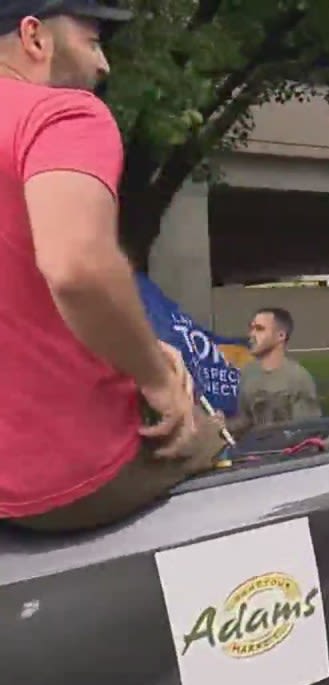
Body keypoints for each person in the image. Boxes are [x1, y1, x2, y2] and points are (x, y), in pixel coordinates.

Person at [0, 2, 227, 532]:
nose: (103, 66)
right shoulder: (61, 114)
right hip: (61, 481)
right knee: (217, 423)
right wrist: (154, 375)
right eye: (93, 41)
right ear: (35, 37)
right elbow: (77, 269)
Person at [224, 307, 321, 434]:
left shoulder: (298, 378)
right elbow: (246, 420)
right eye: (252, 328)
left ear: (281, 335)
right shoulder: (248, 373)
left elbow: (306, 431)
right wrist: (224, 425)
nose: (251, 335)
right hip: (255, 450)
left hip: (285, 451)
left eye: (260, 329)